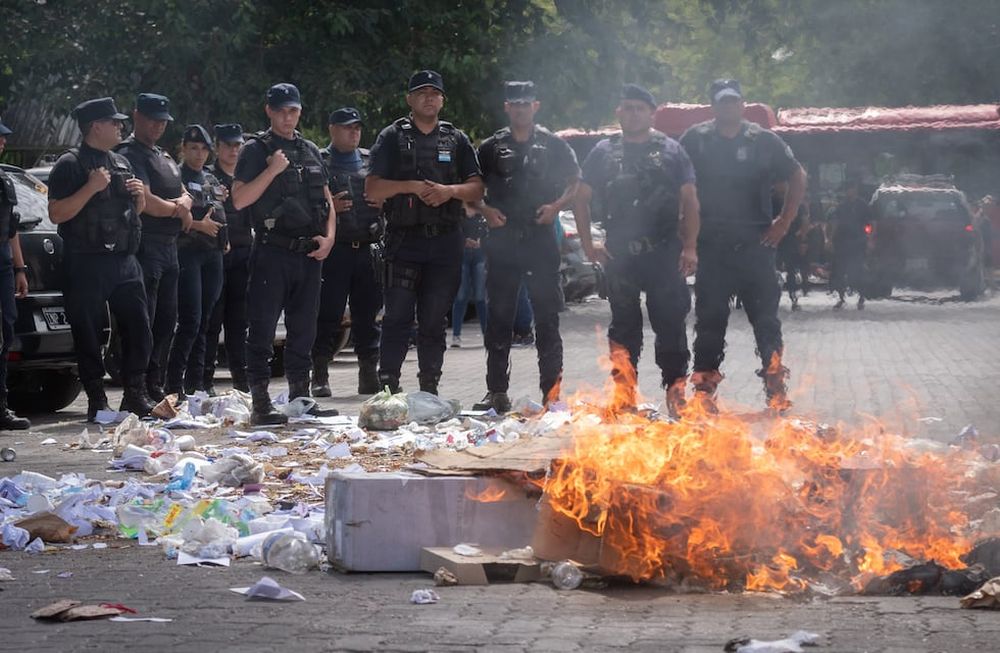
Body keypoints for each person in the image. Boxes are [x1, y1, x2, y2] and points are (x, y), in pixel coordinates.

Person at [680, 79, 806, 412]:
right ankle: (704, 392)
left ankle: (776, 387)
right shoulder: (696, 140)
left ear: (742, 104)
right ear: (713, 106)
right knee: (709, 323)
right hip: (713, 246)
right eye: (722, 102)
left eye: (734, 101)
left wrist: (784, 221)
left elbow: (798, 176)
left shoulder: (764, 141)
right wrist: (685, 237)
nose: (728, 108)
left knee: (766, 322)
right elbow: (677, 183)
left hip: (756, 245)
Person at [575, 83, 699, 416]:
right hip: (621, 255)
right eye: (627, 107)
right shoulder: (603, 151)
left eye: (639, 108)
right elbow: (581, 197)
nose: (633, 114)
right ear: (619, 112)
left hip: (663, 253)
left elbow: (689, 200)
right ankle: (624, 396)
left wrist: (689, 247)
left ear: (651, 113)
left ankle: (676, 393)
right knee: (624, 329)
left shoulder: (672, 150)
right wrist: (589, 242)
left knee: (670, 325)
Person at [365, 70, 484, 395]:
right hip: (405, 240)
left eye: (435, 93)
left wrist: (449, 191)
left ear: (442, 99)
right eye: (422, 93)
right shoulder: (392, 136)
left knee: (434, 321)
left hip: (446, 241)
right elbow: (373, 187)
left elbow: (476, 188)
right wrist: (412, 187)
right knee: (397, 317)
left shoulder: (455, 139)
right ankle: (388, 386)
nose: (429, 98)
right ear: (409, 99)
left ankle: (429, 389)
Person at [231, 83, 336, 426]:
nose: (287, 117)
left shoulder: (309, 150)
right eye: (281, 111)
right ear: (269, 111)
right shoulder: (255, 150)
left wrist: (330, 238)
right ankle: (260, 401)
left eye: (293, 110)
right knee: (261, 328)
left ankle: (300, 397)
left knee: (304, 329)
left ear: (299, 112)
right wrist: (272, 170)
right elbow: (240, 199)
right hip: (272, 251)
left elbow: (326, 198)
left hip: (308, 254)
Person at [46, 97, 156, 419]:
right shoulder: (70, 164)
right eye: (114, 122)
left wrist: (139, 198)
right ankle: (97, 399)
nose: (121, 127)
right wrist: (91, 188)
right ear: (96, 126)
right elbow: (56, 213)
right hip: (86, 261)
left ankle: (135, 393)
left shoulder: (121, 162)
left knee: (140, 325)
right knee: (89, 331)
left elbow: (133, 213)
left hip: (123, 260)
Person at [474, 80, 579, 411]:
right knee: (500, 318)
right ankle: (496, 391)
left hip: (540, 238)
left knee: (547, 319)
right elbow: (471, 187)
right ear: (507, 107)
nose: (520, 108)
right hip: (503, 239)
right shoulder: (490, 147)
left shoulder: (554, 144)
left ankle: (552, 393)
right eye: (514, 103)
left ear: (536, 106)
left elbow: (577, 182)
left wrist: (557, 207)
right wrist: (484, 210)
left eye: (526, 103)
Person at [115, 93, 192, 402]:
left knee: (166, 321)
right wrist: (179, 209)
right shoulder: (130, 154)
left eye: (163, 121)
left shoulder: (163, 155)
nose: (159, 125)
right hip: (147, 245)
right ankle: (135, 389)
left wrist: (184, 204)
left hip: (171, 247)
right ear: (137, 116)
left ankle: (155, 384)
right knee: (142, 322)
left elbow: (185, 191)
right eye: (152, 119)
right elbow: (146, 202)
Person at [311, 107, 383, 398]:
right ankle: (320, 373)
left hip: (367, 249)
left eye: (357, 128)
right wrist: (329, 209)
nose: (353, 132)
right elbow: (305, 203)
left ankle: (369, 374)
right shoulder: (319, 160)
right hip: (335, 252)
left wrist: (383, 203)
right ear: (332, 129)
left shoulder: (371, 160)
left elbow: (387, 196)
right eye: (346, 127)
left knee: (368, 316)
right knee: (327, 315)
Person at [165, 125, 228, 398]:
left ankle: (198, 382)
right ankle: (173, 383)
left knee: (206, 321)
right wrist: (199, 227)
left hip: (212, 254)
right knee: (190, 320)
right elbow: (170, 217)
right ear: (183, 149)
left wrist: (223, 237)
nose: (199, 154)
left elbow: (221, 210)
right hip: (186, 252)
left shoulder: (211, 178)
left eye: (203, 149)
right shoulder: (174, 176)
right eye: (193, 148)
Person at [204, 124, 252, 393]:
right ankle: (205, 379)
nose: (233, 151)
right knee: (213, 320)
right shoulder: (209, 177)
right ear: (218, 147)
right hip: (217, 254)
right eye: (228, 145)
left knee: (239, 322)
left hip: (244, 254)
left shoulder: (247, 176)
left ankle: (242, 382)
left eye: (237, 145)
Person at [0, 118, 31, 429]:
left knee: (5, 333)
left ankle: (2, 407)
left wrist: (20, 268)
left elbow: (12, 229)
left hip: (4, 263)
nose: (3, 143)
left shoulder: (4, 180)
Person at [829, 179, 870, 310]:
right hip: (842, 242)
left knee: (858, 271)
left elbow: (870, 224)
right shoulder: (842, 206)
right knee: (839, 271)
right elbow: (836, 223)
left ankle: (861, 297)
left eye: (851, 189)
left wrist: (869, 239)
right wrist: (830, 239)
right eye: (847, 189)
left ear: (855, 189)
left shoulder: (863, 205)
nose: (849, 192)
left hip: (858, 242)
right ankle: (841, 298)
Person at [450, 208, 487, 349]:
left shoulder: (481, 213)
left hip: (479, 254)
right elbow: (453, 232)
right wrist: (464, 241)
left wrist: (481, 242)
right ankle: (456, 335)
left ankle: (486, 334)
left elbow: (488, 232)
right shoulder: (458, 213)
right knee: (460, 296)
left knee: (480, 297)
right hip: (462, 255)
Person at [774, 184, 810, 311]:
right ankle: (772, 298)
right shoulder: (772, 201)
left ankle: (793, 297)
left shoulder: (796, 203)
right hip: (775, 240)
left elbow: (804, 222)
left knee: (792, 271)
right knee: (773, 271)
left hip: (790, 240)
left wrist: (801, 237)